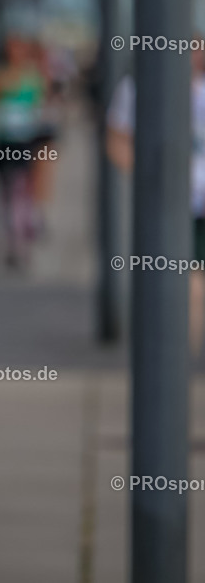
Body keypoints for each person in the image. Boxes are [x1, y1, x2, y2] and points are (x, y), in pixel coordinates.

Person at [106, 45, 205, 357]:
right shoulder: (137, 87)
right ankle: (181, 355)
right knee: (186, 281)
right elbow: (117, 139)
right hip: (176, 202)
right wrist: (150, 179)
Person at [0, 35, 46, 270]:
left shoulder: (32, 75)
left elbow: (40, 104)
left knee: (22, 193)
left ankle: (21, 246)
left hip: (24, 142)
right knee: (3, 195)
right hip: (2, 141)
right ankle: (5, 245)